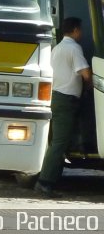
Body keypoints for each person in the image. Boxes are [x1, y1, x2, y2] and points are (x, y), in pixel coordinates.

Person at [34, 17, 93, 198]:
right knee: (59, 142)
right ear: (75, 30)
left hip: (56, 97)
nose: (81, 33)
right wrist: (90, 86)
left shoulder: (57, 48)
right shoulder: (74, 48)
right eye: (80, 30)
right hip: (66, 101)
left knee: (58, 141)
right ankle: (44, 182)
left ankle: (51, 179)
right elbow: (85, 73)